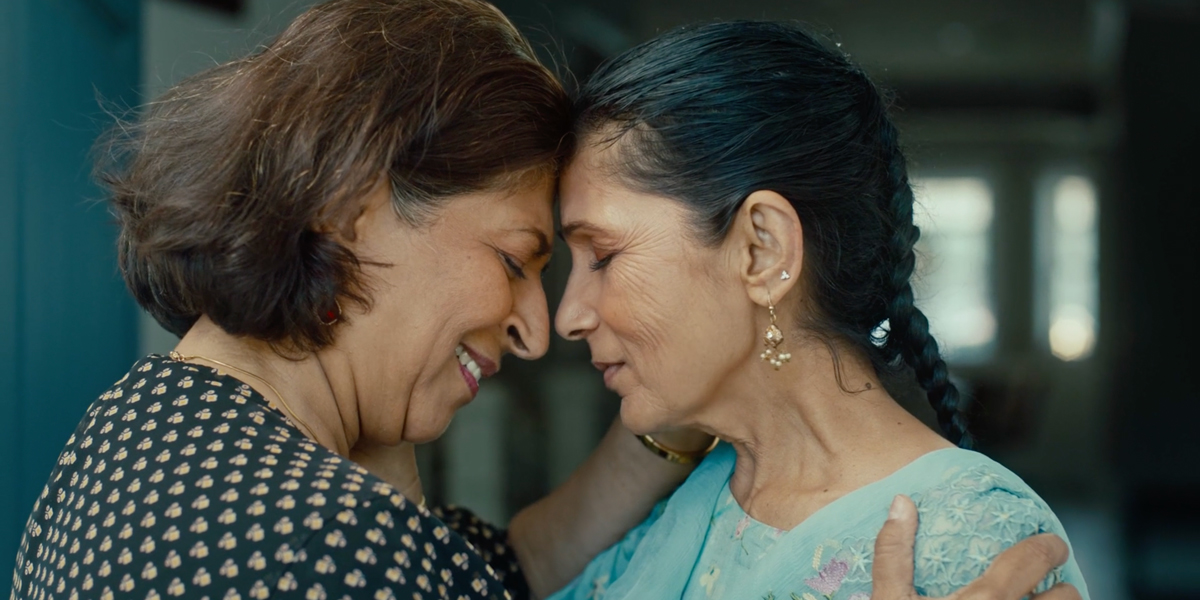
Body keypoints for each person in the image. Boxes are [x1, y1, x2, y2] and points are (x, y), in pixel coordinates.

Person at [10, 2, 1076, 599]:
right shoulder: (322, 543)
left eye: (596, 257)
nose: (548, 322)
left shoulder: (137, 423)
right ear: (350, 207)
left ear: (761, 248)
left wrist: (674, 415)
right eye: (530, 254)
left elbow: (500, 570)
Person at [544, 20, 1090, 600]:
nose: (568, 316)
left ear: (762, 249)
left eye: (601, 255)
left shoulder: (972, 540)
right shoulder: (705, 497)